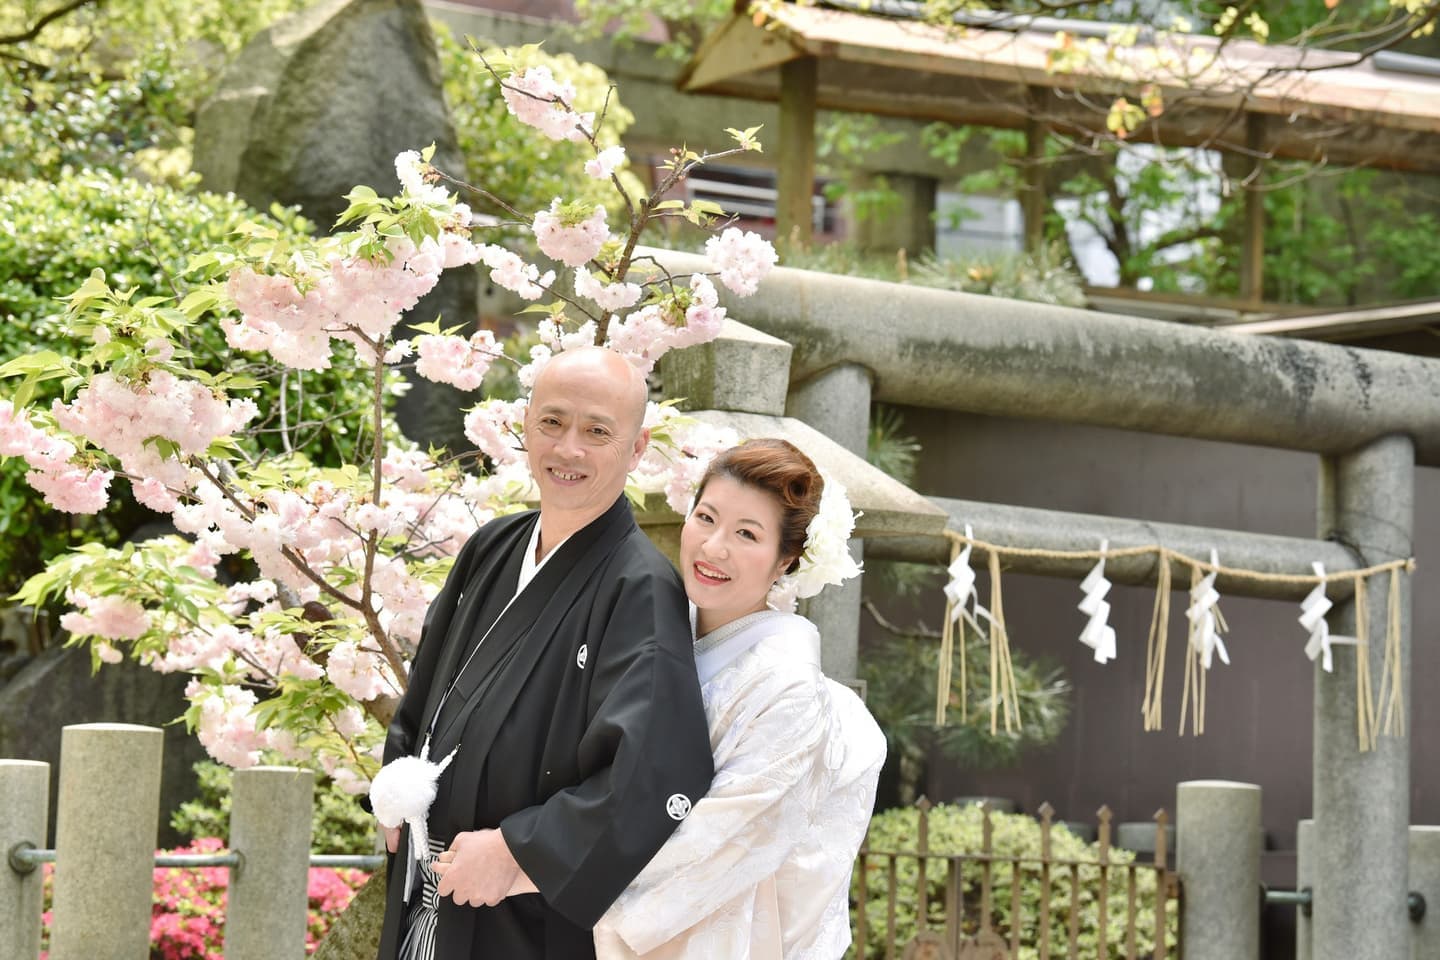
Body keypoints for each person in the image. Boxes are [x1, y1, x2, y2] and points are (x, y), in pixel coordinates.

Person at [372, 346, 714, 960]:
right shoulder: (492, 545)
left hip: (521, 918)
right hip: (426, 888)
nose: (568, 449)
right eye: (552, 422)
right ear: (524, 425)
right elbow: (425, 695)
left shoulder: (641, 587)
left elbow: (655, 771)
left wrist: (516, 852)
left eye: (598, 431)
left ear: (635, 450)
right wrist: (398, 778)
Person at [592, 438, 887, 959]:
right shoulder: (652, 629)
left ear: (785, 562)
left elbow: (723, 842)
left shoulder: (788, 687)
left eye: (747, 534)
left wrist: (554, 876)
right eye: (706, 517)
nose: (713, 547)